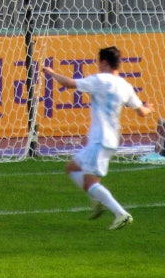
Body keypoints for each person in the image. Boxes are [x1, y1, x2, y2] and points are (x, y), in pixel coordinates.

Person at [42, 46, 155, 231]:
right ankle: (97, 200)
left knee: (90, 183)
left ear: (103, 62)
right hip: (108, 140)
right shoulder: (125, 86)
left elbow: (70, 84)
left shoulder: (99, 79)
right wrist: (149, 107)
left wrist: (52, 73)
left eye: (98, 62)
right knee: (71, 167)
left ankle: (121, 214)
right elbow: (142, 112)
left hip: (99, 140)